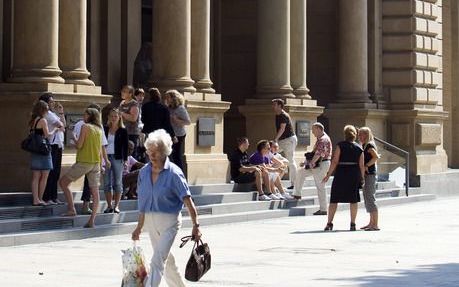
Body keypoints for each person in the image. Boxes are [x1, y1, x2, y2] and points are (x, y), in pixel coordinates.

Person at [131, 129, 201, 287]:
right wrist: (139, 227)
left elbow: (188, 200)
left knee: (157, 260)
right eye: (149, 152)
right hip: (150, 221)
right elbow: (142, 202)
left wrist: (196, 225)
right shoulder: (143, 172)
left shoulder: (174, 173)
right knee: (166, 260)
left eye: (155, 152)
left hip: (170, 222)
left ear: (164, 152)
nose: (151, 155)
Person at [59, 108, 104, 228]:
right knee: (95, 193)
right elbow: (99, 148)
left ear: (90, 116)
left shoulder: (86, 127)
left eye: (85, 114)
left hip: (84, 161)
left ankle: (71, 209)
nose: (83, 116)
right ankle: (92, 220)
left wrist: (73, 136)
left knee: (63, 182)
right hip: (95, 163)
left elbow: (79, 145)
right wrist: (101, 164)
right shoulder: (99, 129)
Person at [322, 125, 365, 231]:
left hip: (341, 173)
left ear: (345, 134)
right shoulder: (359, 148)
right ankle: (353, 224)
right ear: (355, 135)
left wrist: (328, 174)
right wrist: (362, 178)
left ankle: (329, 223)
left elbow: (335, 161)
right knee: (353, 200)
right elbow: (362, 165)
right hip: (353, 174)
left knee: (334, 200)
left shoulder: (340, 145)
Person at [73, 104, 110, 215]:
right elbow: (101, 145)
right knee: (93, 186)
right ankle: (87, 207)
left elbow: (77, 144)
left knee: (88, 184)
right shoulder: (97, 126)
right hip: (93, 159)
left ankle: (85, 206)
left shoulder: (80, 124)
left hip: (83, 158)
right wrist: (104, 160)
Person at [294, 122, 332, 215]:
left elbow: (318, 153)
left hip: (321, 164)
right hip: (318, 164)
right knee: (301, 173)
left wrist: (311, 163)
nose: (312, 132)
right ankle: (297, 194)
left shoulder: (323, 139)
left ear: (319, 129)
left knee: (320, 186)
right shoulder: (320, 139)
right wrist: (307, 162)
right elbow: (314, 153)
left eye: (314, 130)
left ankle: (323, 209)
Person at [28, 101, 59, 206]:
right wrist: (55, 130)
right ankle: (40, 199)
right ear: (43, 110)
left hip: (35, 150)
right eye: (46, 109)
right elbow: (47, 135)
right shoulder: (43, 120)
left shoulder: (33, 120)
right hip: (44, 150)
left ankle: (35, 199)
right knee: (45, 175)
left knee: (36, 176)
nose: (47, 111)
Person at [39, 93, 66, 205]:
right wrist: (60, 125)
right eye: (51, 101)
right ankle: (47, 197)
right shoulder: (48, 114)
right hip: (52, 144)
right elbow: (61, 126)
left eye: (53, 101)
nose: (53, 103)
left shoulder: (53, 114)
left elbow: (63, 125)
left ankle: (54, 196)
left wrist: (61, 113)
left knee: (56, 172)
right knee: (51, 172)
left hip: (58, 145)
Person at [103, 108, 129, 214]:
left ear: (119, 117)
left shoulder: (123, 130)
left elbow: (125, 146)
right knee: (106, 183)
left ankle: (116, 206)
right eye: (112, 116)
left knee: (118, 183)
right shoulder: (105, 129)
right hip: (106, 157)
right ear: (109, 117)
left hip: (118, 158)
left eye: (115, 116)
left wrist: (126, 160)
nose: (113, 118)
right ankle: (109, 206)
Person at [358, 127, 380, 231]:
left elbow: (376, 157)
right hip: (367, 174)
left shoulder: (370, 145)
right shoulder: (364, 145)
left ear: (366, 135)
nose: (359, 137)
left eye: (361, 134)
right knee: (367, 197)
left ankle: (375, 224)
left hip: (370, 174)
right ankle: (371, 222)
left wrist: (366, 165)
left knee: (370, 197)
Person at [272, 98, 297, 190]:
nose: (273, 106)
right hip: (283, 140)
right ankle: (281, 170)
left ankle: (294, 183)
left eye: (275, 104)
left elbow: (282, 129)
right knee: (272, 154)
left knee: (291, 160)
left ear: (279, 106)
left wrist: (275, 139)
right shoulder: (277, 115)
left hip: (289, 140)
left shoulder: (283, 115)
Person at [164, 90, 191, 171]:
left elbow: (188, 122)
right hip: (170, 134)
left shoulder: (180, 108)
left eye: (168, 97)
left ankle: (179, 173)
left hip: (179, 134)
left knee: (176, 155)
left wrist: (176, 120)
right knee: (168, 154)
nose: (166, 99)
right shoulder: (169, 108)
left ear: (173, 98)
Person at [119, 85, 140, 159]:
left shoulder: (134, 104)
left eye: (124, 92)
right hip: (123, 131)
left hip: (131, 132)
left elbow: (133, 118)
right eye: (122, 91)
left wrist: (122, 113)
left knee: (131, 155)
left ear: (130, 94)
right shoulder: (122, 103)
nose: (122, 93)